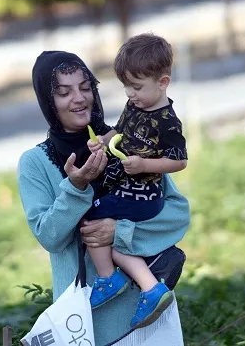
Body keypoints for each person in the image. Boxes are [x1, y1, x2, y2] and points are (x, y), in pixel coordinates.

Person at [17, 51, 189, 345]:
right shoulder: (35, 162)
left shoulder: (127, 141)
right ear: (48, 101)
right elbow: (49, 236)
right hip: (85, 326)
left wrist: (119, 231)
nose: (79, 98)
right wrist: (76, 186)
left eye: (85, 87)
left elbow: (176, 213)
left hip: (149, 316)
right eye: (63, 92)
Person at [84, 33, 189, 329]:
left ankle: (108, 279)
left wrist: (145, 164)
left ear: (163, 82)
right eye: (126, 86)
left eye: (137, 86)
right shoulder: (136, 107)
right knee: (118, 245)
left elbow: (179, 160)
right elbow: (120, 132)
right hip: (127, 189)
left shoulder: (168, 121)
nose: (130, 93)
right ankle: (151, 289)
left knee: (91, 214)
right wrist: (103, 141)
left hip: (144, 194)